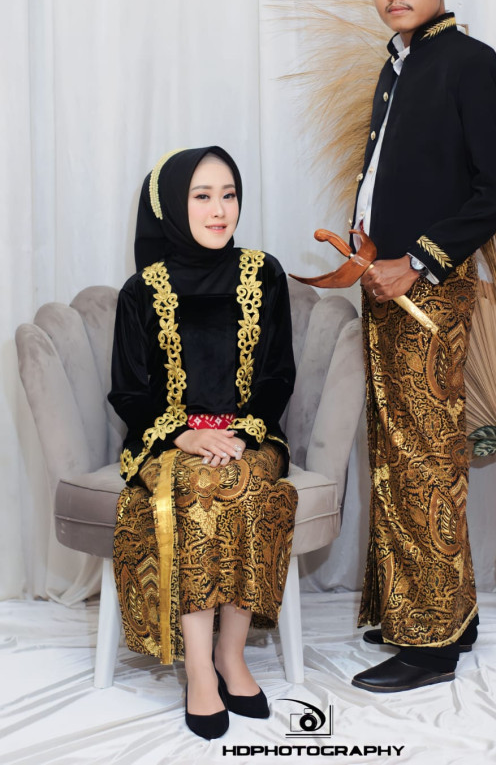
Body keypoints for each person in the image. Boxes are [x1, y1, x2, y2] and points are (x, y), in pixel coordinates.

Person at [350, 0, 496, 692]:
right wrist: (367, 245)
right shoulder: (398, 65)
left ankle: (431, 646)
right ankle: (433, 612)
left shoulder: (468, 62)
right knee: (394, 454)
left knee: (424, 459)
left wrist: (415, 260)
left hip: (428, 291)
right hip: (383, 284)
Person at [108, 147, 297, 739]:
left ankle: (230, 655)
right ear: (170, 206)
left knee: (243, 485)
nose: (220, 210)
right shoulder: (141, 291)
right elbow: (128, 391)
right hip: (169, 440)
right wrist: (186, 435)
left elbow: (278, 374)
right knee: (198, 487)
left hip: (248, 435)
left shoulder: (264, 273)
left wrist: (239, 434)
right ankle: (197, 669)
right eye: (202, 196)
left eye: (229, 194)